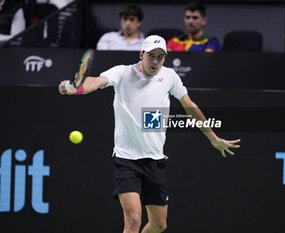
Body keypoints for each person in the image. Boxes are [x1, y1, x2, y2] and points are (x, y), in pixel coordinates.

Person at [58, 35, 240, 233]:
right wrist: (79, 87)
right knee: (134, 219)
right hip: (126, 160)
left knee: (159, 225)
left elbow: (190, 106)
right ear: (141, 54)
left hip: (154, 160)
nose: (155, 61)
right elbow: (97, 81)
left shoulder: (170, 76)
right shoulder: (122, 73)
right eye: (151, 56)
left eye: (160, 57)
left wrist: (213, 138)